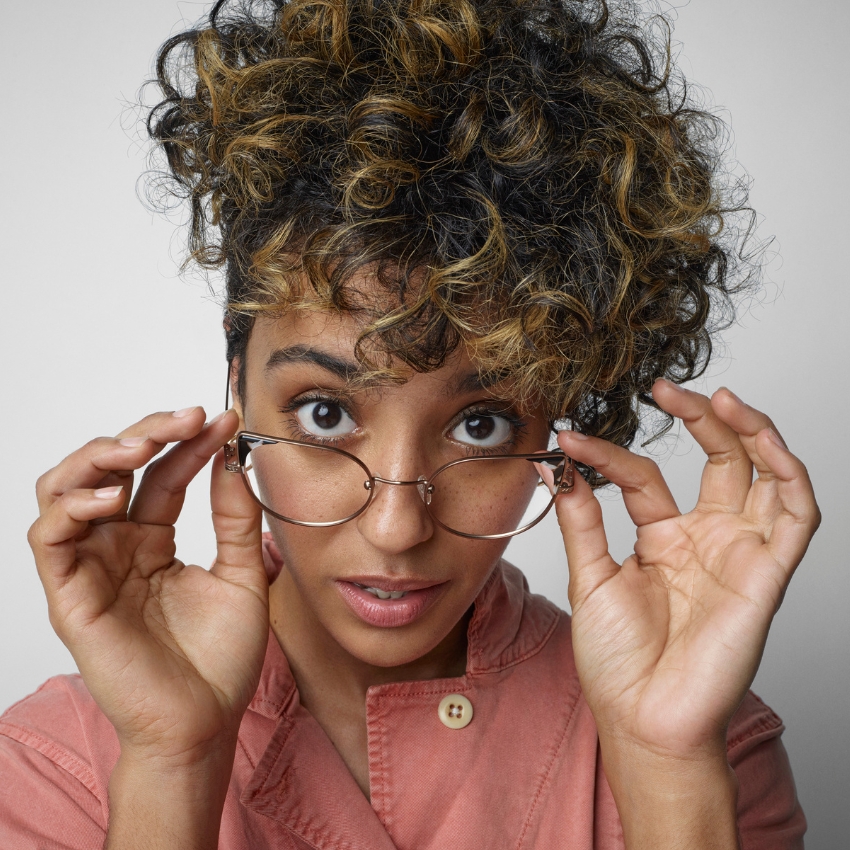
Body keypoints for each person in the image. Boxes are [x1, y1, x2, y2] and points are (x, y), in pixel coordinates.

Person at [2, 0, 820, 847]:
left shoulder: (703, 748)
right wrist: (170, 762)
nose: (396, 528)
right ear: (235, 373)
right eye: (326, 413)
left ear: (558, 420)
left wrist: (668, 766)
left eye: (482, 428)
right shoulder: (57, 768)